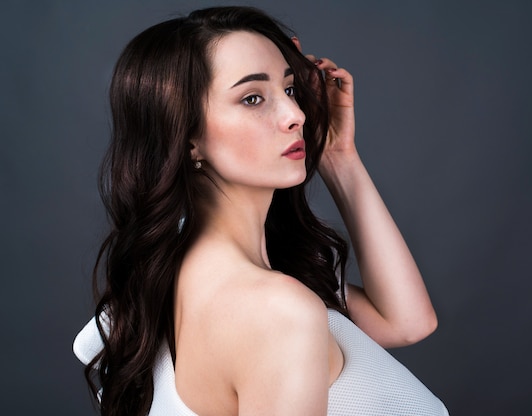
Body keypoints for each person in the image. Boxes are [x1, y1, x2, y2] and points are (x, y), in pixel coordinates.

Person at [73, 6, 449, 416]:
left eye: (289, 90)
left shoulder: (183, 276)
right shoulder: (277, 311)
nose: (297, 115)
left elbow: (407, 323)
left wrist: (339, 155)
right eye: (252, 98)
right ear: (186, 138)